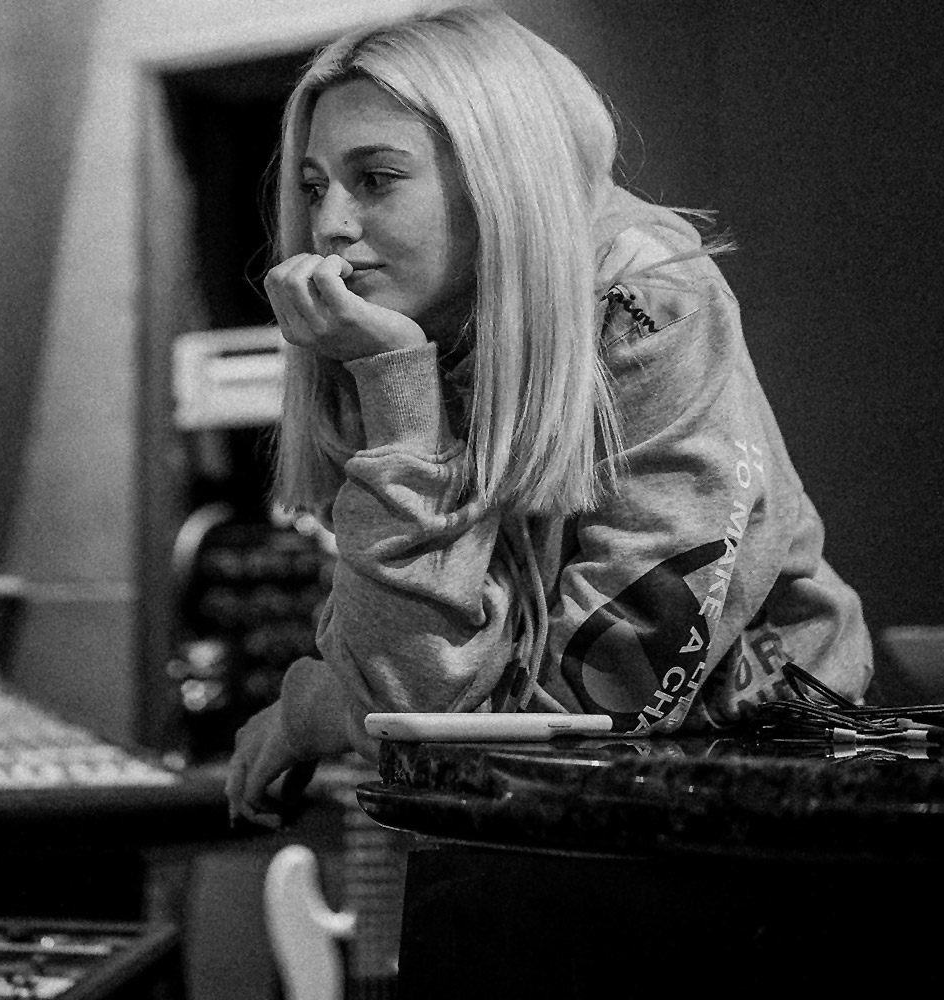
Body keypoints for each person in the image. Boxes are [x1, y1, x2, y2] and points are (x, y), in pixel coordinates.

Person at [224, 4, 872, 827]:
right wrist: (396, 386)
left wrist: (322, 707)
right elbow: (420, 699)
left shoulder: (646, 302)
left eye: (376, 179)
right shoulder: (394, 338)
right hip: (542, 825)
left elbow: (595, 709)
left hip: (765, 801)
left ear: (497, 172)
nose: (328, 227)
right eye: (315, 187)